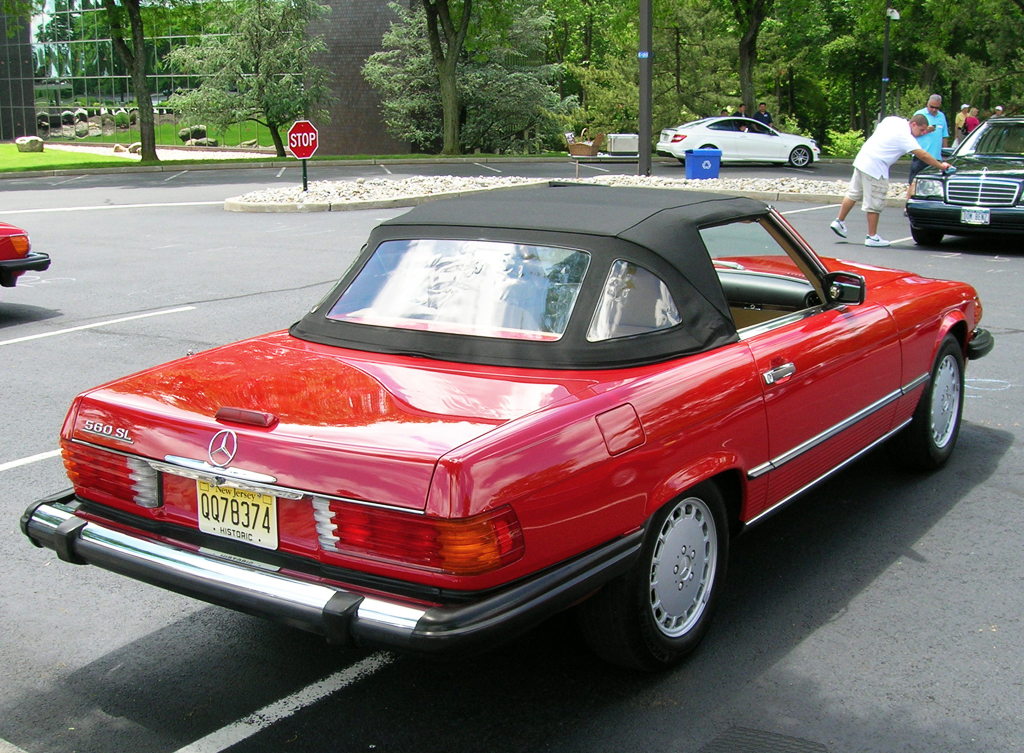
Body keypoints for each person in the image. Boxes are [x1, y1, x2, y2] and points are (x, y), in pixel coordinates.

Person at [830, 114, 950, 247]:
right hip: (876, 168)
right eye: (921, 130)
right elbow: (923, 155)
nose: (922, 134)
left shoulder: (892, 120)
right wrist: (941, 166)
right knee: (875, 202)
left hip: (862, 159)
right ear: (913, 124)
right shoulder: (905, 137)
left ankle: (839, 221)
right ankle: (872, 236)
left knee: (854, 193)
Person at [905, 94, 949, 200]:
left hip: (936, 156)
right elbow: (911, 134)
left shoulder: (941, 116)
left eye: (936, 108)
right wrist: (925, 131)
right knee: (914, 182)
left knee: (934, 183)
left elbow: (944, 136)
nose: (934, 110)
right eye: (931, 107)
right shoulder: (920, 114)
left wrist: (946, 153)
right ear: (927, 104)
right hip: (921, 155)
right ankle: (908, 204)